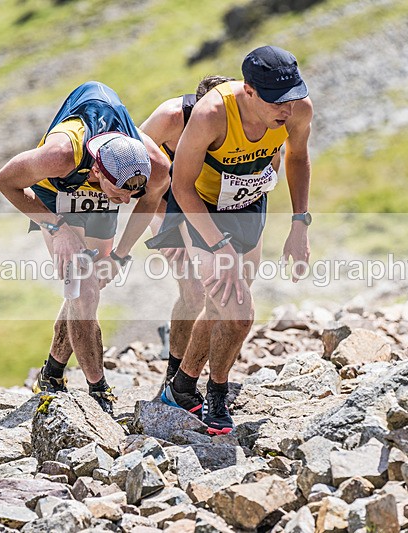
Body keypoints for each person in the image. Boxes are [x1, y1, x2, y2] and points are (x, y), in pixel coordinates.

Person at [147, 46, 313, 434]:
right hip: (201, 209)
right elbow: (182, 187)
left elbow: (298, 158)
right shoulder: (210, 115)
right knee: (238, 311)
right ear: (250, 91)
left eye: (292, 98)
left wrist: (299, 224)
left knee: (225, 307)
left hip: (250, 206)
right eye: (277, 102)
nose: (287, 111)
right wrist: (211, 244)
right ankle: (211, 391)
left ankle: (181, 388)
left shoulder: (299, 109)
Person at [0, 81, 170, 415]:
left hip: (96, 197)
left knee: (87, 290)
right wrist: (55, 227)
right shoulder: (60, 155)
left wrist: (121, 254)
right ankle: (98, 389)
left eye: (128, 196)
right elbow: (4, 181)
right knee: (84, 290)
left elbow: (147, 203)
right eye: (120, 195)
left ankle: (51, 373)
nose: (125, 202)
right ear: (98, 170)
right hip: (54, 195)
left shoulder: (156, 165)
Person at [140, 74, 237, 391]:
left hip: (205, 206)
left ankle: (197, 372)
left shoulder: (235, 123)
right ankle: (174, 374)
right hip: (165, 203)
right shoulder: (170, 117)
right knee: (193, 290)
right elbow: (134, 167)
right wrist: (167, 223)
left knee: (218, 291)